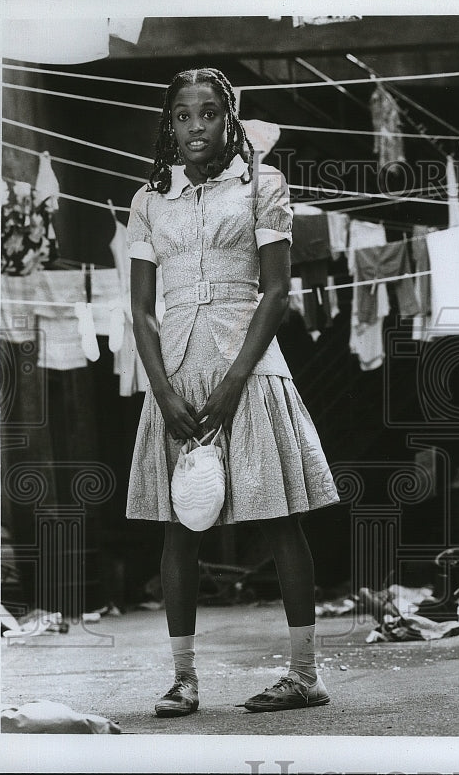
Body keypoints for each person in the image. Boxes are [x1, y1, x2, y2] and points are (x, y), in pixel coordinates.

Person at [125, 68, 339, 717]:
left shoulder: (262, 184)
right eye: (184, 115)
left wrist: (234, 381)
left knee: (279, 518)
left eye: (210, 114)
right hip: (177, 374)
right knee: (178, 526)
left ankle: (305, 673)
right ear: (170, 123)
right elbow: (140, 310)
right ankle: (183, 679)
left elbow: (277, 292)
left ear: (229, 119)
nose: (197, 126)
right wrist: (161, 390)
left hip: (248, 362)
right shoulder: (148, 199)